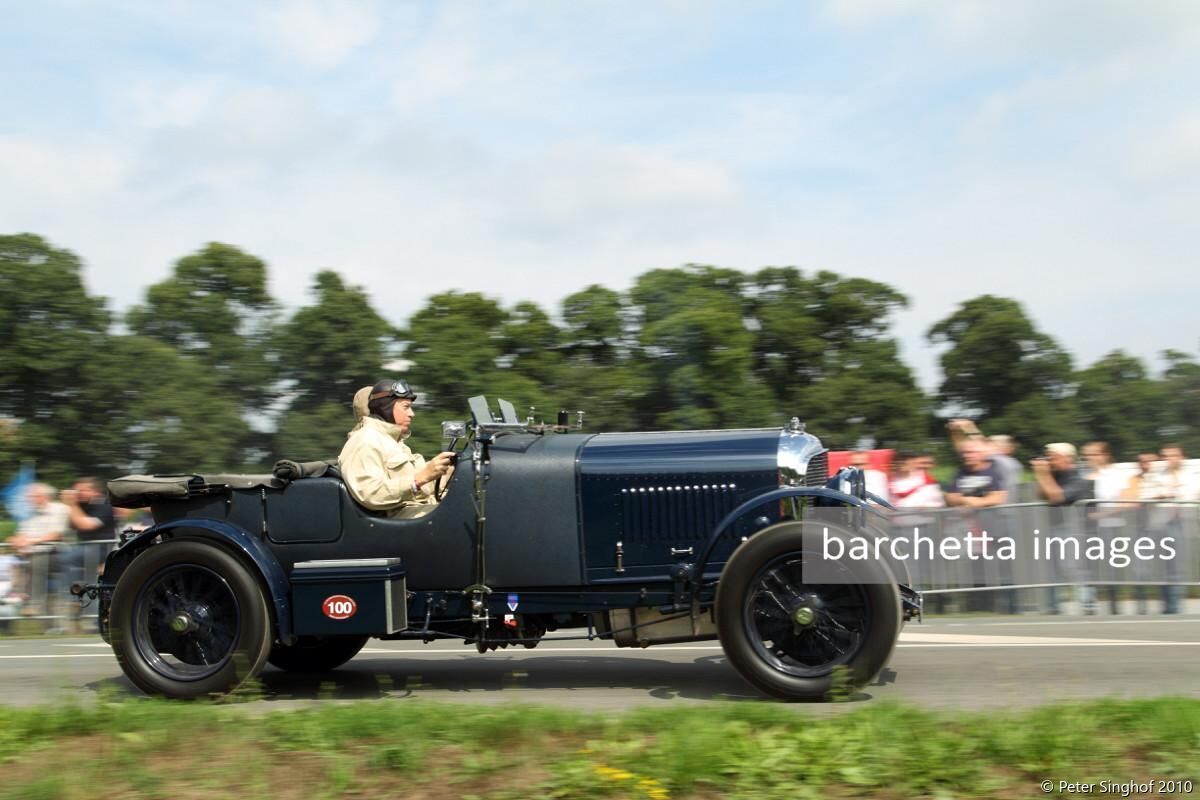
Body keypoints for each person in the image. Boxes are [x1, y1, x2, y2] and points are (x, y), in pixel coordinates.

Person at [338, 379, 456, 519]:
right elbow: (370, 494)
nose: (412, 414)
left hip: (415, 511)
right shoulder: (365, 440)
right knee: (462, 517)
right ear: (386, 408)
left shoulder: (394, 443)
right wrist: (418, 479)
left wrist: (446, 473)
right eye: (406, 407)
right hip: (395, 520)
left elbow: (421, 489)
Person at [945, 439, 1013, 612]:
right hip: (968, 530)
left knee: (1001, 567)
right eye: (965, 452)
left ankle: (1006, 605)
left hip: (993, 528)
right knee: (975, 568)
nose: (967, 456)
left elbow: (998, 497)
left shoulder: (994, 471)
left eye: (971, 452)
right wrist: (963, 500)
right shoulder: (960, 473)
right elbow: (949, 497)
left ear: (982, 454)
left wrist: (975, 502)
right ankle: (978, 605)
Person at [1032, 443, 1093, 614]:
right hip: (1053, 527)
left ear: (1067, 458)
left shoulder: (1077, 479)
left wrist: (1043, 474)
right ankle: (1053, 606)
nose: (1049, 460)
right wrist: (1044, 475)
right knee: (1052, 568)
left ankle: (1087, 603)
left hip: (1072, 529)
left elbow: (1056, 497)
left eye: (1053, 457)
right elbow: (1041, 495)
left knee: (1074, 567)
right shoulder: (1054, 476)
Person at [1141, 445, 1198, 613]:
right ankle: (1166, 606)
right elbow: (1145, 495)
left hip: (1182, 523)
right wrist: (1162, 494)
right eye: (1166, 456)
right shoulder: (1156, 475)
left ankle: (1175, 607)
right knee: (1162, 568)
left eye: (1173, 456)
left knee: (1177, 567)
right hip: (1160, 524)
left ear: (1182, 457)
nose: (1169, 459)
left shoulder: (1192, 476)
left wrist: (1179, 492)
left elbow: (1193, 495)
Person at [5, 483, 69, 613]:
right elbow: (21, 534)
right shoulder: (30, 513)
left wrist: (30, 542)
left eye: (32, 496)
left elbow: (56, 534)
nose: (29, 499)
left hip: (57, 553)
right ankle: (13, 602)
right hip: (32, 553)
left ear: (44, 496)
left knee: (37, 563)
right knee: (12, 563)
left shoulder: (59, 509)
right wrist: (15, 540)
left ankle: (34, 604)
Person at [1081, 442, 1127, 614]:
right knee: (1088, 567)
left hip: (1111, 526)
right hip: (1089, 528)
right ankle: (1089, 605)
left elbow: (1123, 503)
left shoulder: (1116, 475)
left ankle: (1114, 606)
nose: (1089, 458)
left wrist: (1100, 515)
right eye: (1087, 455)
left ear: (1104, 455)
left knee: (1110, 567)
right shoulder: (1084, 475)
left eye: (1093, 454)